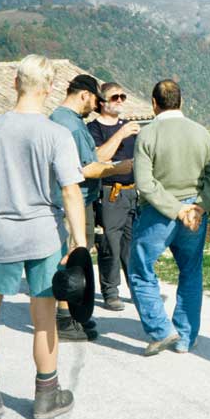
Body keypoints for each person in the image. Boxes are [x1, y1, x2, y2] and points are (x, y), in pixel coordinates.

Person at [0, 54, 83, 419]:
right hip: (44, 235)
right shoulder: (57, 134)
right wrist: (78, 242)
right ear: (48, 90)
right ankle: (46, 396)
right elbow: (71, 192)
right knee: (44, 315)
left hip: (1, 233)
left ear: (15, 82)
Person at [128, 80, 210, 356]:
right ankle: (185, 338)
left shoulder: (147, 135)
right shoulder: (201, 133)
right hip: (195, 214)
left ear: (153, 102)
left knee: (139, 268)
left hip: (159, 213)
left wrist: (175, 209)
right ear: (181, 102)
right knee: (191, 272)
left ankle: (161, 330)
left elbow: (145, 184)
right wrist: (197, 207)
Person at [50, 74, 132, 341]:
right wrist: (117, 168)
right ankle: (65, 318)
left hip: (81, 198)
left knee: (77, 256)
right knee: (74, 258)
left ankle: (74, 314)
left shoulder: (66, 120)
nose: (94, 107)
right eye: (94, 100)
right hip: (75, 198)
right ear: (84, 95)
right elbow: (85, 167)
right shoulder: (71, 126)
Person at [87, 82, 141, 311]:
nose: (120, 100)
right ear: (101, 103)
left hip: (132, 192)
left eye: (122, 96)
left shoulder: (129, 127)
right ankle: (111, 292)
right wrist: (120, 133)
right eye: (114, 97)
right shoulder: (94, 129)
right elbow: (98, 157)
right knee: (111, 243)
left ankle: (137, 290)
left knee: (133, 244)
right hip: (110, 192)